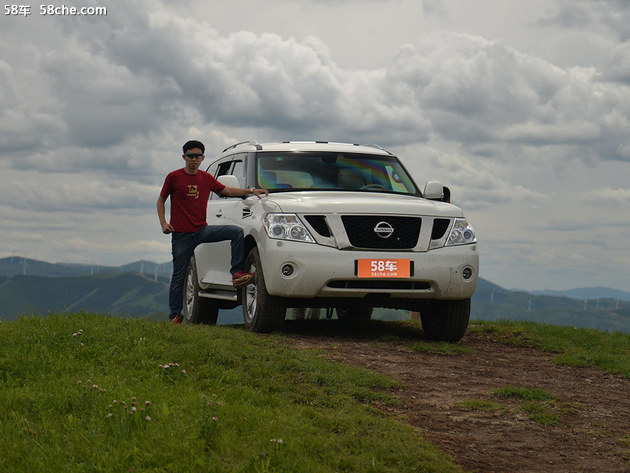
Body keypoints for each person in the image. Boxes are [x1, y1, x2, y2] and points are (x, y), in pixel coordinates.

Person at [157, 140, 268, 324]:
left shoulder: (205, 178)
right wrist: (163, 223)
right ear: (184, 157)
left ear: (202, 158)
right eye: (190, 156)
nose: (194, 159)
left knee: (235, 232)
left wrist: (250, 191)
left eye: (198, 156)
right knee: (179, 276)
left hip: (202, 230)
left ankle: (236, 273)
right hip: (181, 235)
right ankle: (175, 315)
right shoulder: (173, 177)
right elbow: (161, 200)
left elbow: (227, 190)